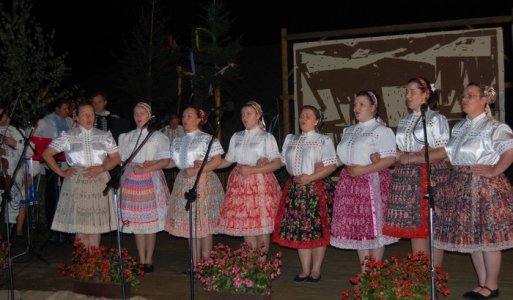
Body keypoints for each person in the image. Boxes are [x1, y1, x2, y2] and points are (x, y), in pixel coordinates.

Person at [433, 83, 513, 299]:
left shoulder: (494, 127)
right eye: (464, 95)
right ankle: (483, 283)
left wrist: (494, 169)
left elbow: (509, 151)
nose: (464, 99)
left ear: (484, 100)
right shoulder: (459, 127)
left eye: (470, 95)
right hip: (462, 186)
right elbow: (449, 155)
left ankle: (492, 284)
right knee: (473, 238)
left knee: (488, 237)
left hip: (485, 188)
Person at [330, 91, 398, 271]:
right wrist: (324, 164)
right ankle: (365, 273)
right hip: (351, 184)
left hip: (371, 182)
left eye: (361, 104)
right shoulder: (349, 130)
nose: (356, 108)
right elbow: (341, 157)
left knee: (374, 229)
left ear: (373, 108)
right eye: (355, 104)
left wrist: (363, 170)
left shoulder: (381, 130)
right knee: (361, 231)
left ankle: (374, 274)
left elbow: (390, 159)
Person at [382, 77, 451, 257]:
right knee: (416, 226)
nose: (408, 95)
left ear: (425, 94)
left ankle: (435, 275)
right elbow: (402, 152)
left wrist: (414, 158)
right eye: (406, 92)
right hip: (407, 178)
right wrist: (390, 154)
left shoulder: (436, 119)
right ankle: (420, 271)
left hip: (431, 175)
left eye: (413, 91)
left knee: (433, 226)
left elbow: (444, 152)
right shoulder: (405, 120)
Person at [42, 103, 120, 249]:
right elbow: (47, 154)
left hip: (99, 181)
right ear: (76, 117)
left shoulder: (104, 136)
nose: (89, 117)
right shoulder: (68, 136)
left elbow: (116, 158)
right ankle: (83, 265)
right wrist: (61, 172)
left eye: (91, 113)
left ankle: (94, 263)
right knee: (81, 226)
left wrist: (102, 168)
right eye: (84, 114)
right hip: (77, 183)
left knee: (96, 226)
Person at [272, 105, 337, 283]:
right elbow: (281, 161)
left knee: (316, 230)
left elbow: (331, 165)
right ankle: (305, 269)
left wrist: (311, 177)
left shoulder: (323, 140)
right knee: (301, 230)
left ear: (316, 121)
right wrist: (263, 160)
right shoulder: (290, 139)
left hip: (316, 189)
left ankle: (316, 269)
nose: (303, 118)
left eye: (308, 116)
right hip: (296, 188)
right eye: (301, 115)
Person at [217, 101, 281, 253]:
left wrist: (252, 171)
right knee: (247, 224)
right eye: (242, 114)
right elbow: (228, 160)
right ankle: (252, 262)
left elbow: (277, 163)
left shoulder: (266, 137)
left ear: (258, 115)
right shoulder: (236, 136)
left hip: (260, 183)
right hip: (239, 183)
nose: (245, 117)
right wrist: (207, 165)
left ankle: (262, 264)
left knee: (261, 224)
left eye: (249, 114)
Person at [165, 106, 224, 266]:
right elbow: (172, 162)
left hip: (203, 182)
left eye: (189, 116)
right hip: (183, 182)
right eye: (183, 116)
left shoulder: (207, 138)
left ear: (199, 120)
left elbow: (217, 161)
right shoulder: (177, 140)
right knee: (190, 223)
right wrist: (154, 164)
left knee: (203, 223)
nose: (185, 119)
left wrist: (197, 170)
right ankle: (194, 262)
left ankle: (206, 263)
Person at [118, 102, 171, 273]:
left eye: (142, 113)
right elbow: (122, 161)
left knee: (150, 223)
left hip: (150, 179)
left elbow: (165, 160)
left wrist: (146, 168)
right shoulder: (126, 137)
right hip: (132, 182)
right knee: (137, 224)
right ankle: (141, 259)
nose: (139, 116)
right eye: (136, 113)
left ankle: (149, 259)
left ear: (149, 116)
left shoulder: (158, 137)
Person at [34, 99, 70, 239]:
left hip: (66, 164)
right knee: (52, 196)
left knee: (65, 195)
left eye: (68, 108)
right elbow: (35, 139)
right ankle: (52, 227)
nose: (68, 111)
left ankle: (64, 228)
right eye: (65, 108)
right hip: (50, 165)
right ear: (56, 108)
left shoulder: (69, 121)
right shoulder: (44, 121)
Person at [0, 106, 33, 237]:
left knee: (13, 202)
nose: (7, 117)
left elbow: (29, 152)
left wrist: (16, 144)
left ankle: (8, 236)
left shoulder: (16, 131)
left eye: (7, 115)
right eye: (4, 115)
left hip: (13, 174)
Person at [160, 114, 185, 189]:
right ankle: (167, 189)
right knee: (167, 175)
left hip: (179, 156)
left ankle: (180, 187)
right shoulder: (164, 129)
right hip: (167, 156)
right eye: (172, 123)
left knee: (181, 174)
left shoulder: (183, 129)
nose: (174, 125)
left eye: (176, 123)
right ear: (169, 122)